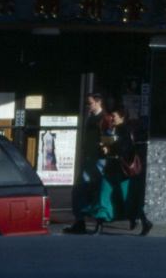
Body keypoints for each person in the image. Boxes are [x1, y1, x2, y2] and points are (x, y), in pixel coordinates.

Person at [96, 106, 152, 235]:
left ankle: (144, 220)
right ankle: (99, 224)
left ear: (122, 117)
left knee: (127, 198)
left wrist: (109, 148)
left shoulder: (124, 130)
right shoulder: (116, 129)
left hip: (121, 170)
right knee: (104, 195)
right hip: (113, 168)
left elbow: (123, 148)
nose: (112, 118)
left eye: (114, 116)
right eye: (111, 116)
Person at [63, 92, 106, 234]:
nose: (88, 106)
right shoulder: (91, 118)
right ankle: (80, 221)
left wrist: (103, 147)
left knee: (96, 190)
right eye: (88, 103)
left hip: (99, 159)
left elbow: (108, 138)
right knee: (80, 189)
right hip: (89, 158)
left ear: (98, 102)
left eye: (91, 103)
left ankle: (96, 223)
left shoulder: (104, 118)